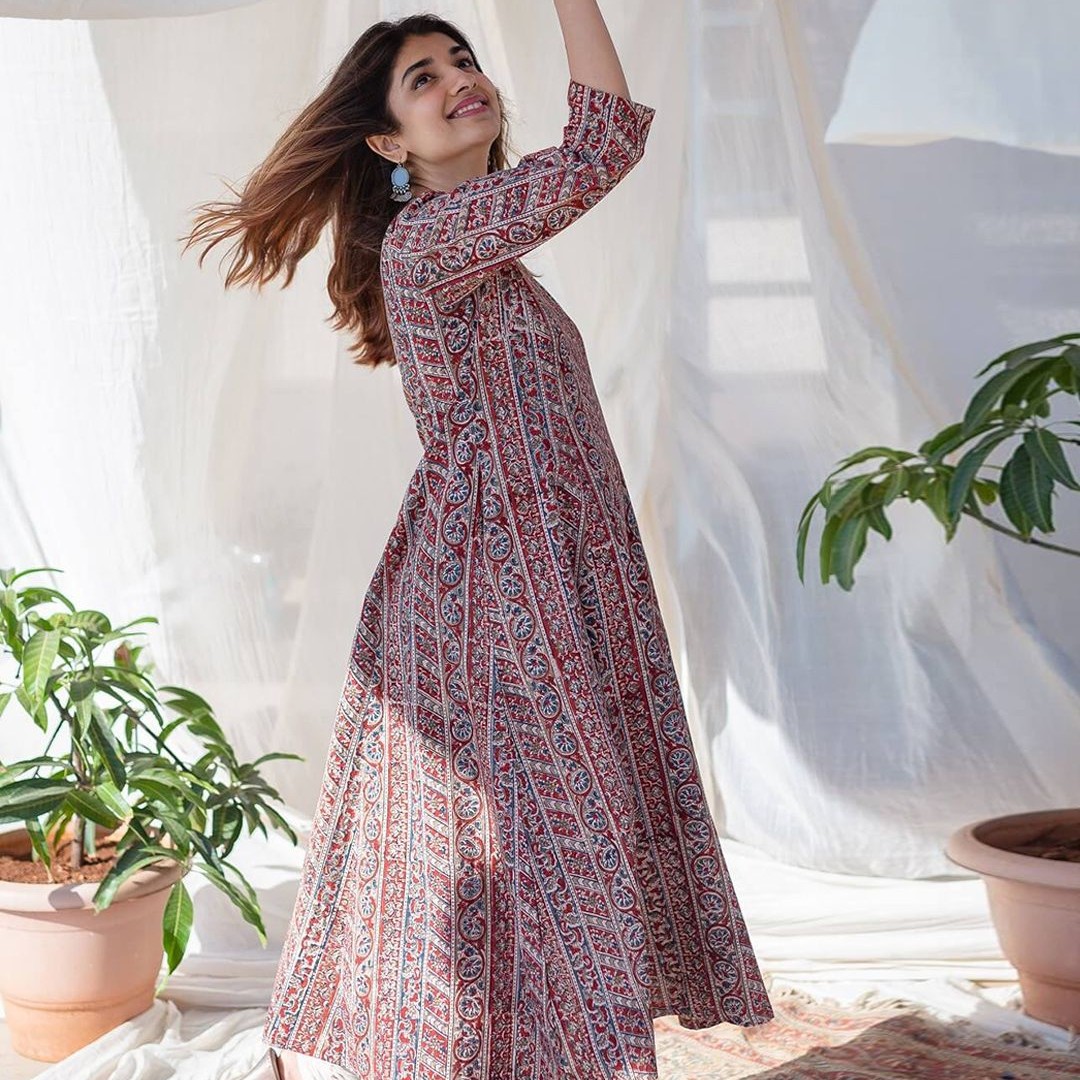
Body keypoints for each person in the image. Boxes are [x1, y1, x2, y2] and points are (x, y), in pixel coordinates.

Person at [184, 3, 773, 1077]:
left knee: (530, 850)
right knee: (548, 840)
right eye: (423, 77)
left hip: (535, 574)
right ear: (387, 140)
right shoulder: (431, 242)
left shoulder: (486, 254)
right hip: (496, 589)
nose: (460, 78)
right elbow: (604, 146)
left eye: (464, 59)